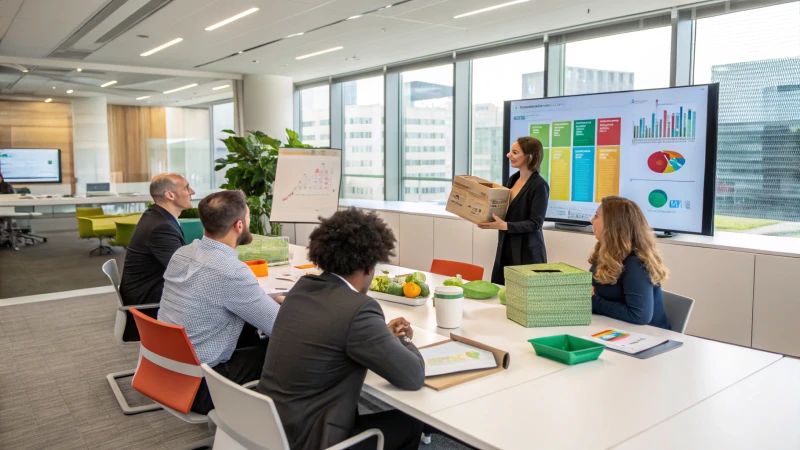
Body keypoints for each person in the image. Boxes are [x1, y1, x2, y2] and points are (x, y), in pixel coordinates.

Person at [257, 208, 425, 450]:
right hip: (311, 440)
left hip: (270, 426)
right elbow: (412, 376)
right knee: (410, 424)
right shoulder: (359, 308)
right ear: (369, 266)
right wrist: (406, 341)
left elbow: (334, 334)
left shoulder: (301, 289)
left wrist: (380, 333)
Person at [158, 189, 282, 414]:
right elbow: (281, 327)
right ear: (239, 225)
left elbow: (211, 295)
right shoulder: (230, 271)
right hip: (201, 386)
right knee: (285, 346)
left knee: (251, 331)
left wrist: (268, 299)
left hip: (166, 371)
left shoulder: (182, 254)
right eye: (248, 217)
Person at [119, 174, 194, 339]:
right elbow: (184, 270)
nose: (192, 192)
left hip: (148, 291)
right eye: (187, 188)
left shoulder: (157, 216)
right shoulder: (161, 226)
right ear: (170, 195)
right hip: (148, 304)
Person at [589, 196, 671, 329]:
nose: (592, 220)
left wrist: (593, 302)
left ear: (613, 225)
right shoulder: (605, 253)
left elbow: (639, 315)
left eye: (596, 216)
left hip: (648, 337)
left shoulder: (635, 263)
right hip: (616, 328)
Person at [479, 136, 550, 285]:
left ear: (529, 157)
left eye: (515, 152)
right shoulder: (513, 179)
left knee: (522, 300)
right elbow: (506, 212)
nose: (508, 155)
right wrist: (488, 220)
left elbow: (536, 223)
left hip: (527, 253)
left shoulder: (539, 185)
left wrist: (505, 226)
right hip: (505, 247)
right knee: (500, 292)